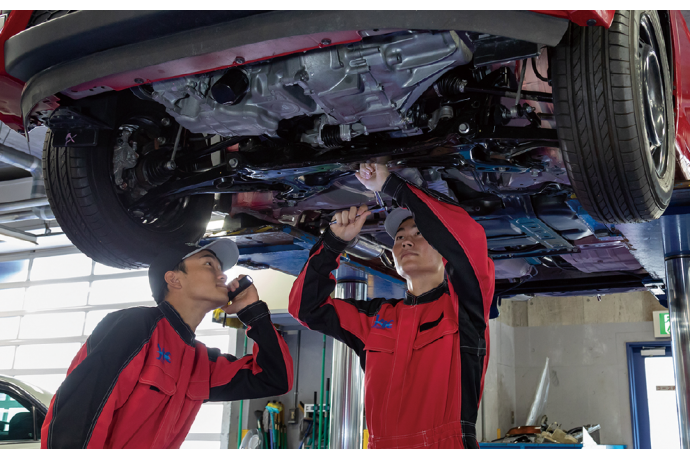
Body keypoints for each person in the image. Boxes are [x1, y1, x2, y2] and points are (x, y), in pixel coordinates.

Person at [289, 163, 494, 449]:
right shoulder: (374, 319)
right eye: (399, 237)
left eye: (419, 233)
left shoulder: (464, 307)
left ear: (444, 251)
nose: (406, 241)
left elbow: (467, 241)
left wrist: (394, 186)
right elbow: (304, 308)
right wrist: (334, 243)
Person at [41, 239, 293, 449]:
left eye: (220, 267)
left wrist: (254, 313)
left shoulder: (201, 363)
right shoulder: (135, 325)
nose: (222, 274)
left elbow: (274, 378)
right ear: (174, 279)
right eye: (208, 264)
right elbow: (78, 413)